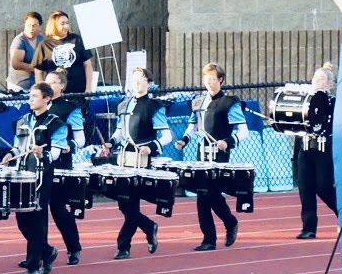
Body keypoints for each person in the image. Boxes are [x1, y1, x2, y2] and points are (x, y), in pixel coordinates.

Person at [175, 63, 247, 250]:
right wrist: (184, 140)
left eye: (212, 79)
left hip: (220, 154)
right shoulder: (198, 102)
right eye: (206, 79)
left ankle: (229, 222)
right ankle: (210, 238)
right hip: (202, 153)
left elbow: (243, 131)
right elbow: (193, 126)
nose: (208, 83)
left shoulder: (230, 103)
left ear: (221, 80)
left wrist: (228, 142)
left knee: (211, 193)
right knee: (202, 194)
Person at [103, 67, 171, 259]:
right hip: (124, 159)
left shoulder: (154, 106)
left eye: (142, 80)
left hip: (142, 159)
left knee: (131, 203)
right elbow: (119, 131)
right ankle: (149, 227)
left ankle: (123, 246)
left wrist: (151, 146)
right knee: (124, 205)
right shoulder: (123, 105)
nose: (137, 83)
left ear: (149, 84)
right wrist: (110, 142)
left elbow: (166, 136)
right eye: (134, 80)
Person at [3, 83, 67, 274]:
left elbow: (56, 152)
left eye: (35, 96)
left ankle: (33, 265)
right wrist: (10, 155)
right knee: (22, 220)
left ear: (47, 99)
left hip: (41, 175)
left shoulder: (55, 123)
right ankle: (47, 251)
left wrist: (44, 153)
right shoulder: (23, 121)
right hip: (23, 174)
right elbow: (17, 147)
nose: (30, 99)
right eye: (30, 96)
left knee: (38, 218)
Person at [42, 71, 86, 265]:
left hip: (60, 164)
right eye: (46, 82)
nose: (49, 86)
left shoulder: (70, 109)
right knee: (37, 210)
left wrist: (69, 147)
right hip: (39, 165)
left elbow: (81, 140)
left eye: (53, 83)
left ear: (62, 86)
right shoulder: (39, 107)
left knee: (58, 209)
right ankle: (38, 252)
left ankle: (73, 248)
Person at [294, 63, 338, 240]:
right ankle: (308, 227)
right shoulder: (306, 100)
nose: (317, 82)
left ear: (329, 84)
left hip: (324, 148)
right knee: (305, 188)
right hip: (305, 147)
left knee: (324, 187)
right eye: (315, 79)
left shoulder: (333, 102)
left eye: (321, 79)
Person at [33, 10, 93, 95]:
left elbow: (88, 65)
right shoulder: (44, 45)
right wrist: (42, 92)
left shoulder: (76, 39)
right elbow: (38, 72)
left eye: (67, 23)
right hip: (55, 95)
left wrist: (88, 88)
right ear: (54, 25)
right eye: (62, 23)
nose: (66, 26)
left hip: (79, 91)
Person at [7, 11, 43, 92]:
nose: (31, 28)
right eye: (28, 25)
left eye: (34, 25)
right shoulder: (19, 41)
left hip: (35, 84)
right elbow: (16, 64)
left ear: (40, 27)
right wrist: (37, 68)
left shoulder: (41, 39)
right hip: (19, 85)